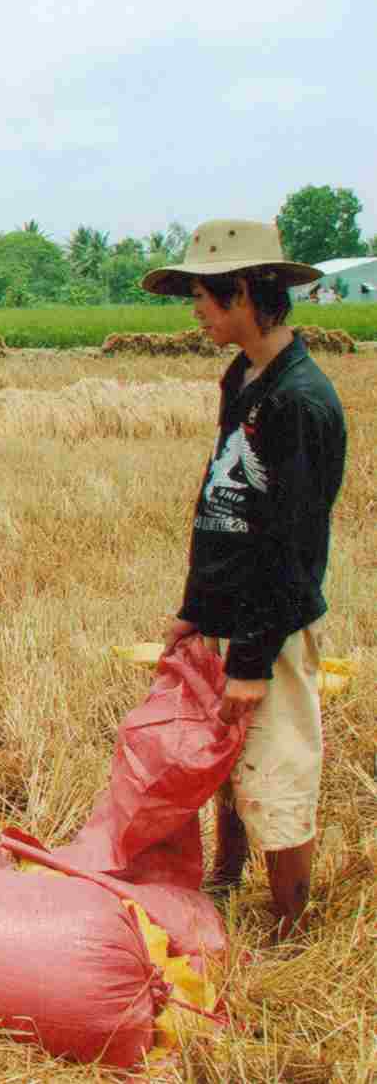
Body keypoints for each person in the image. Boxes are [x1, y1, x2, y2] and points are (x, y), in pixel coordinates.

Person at [142, 219, 345, 937]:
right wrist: (196, 608)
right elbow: (220, 503)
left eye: (200, 295)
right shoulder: (245, 377)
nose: (193, 309)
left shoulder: (299, 401)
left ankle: (291, 933)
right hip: (233, 611)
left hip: (276, 620)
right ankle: (223, 891)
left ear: (240, 294)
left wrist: (253, 662)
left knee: (275, 771)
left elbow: (292, 547)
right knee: (226, 764)